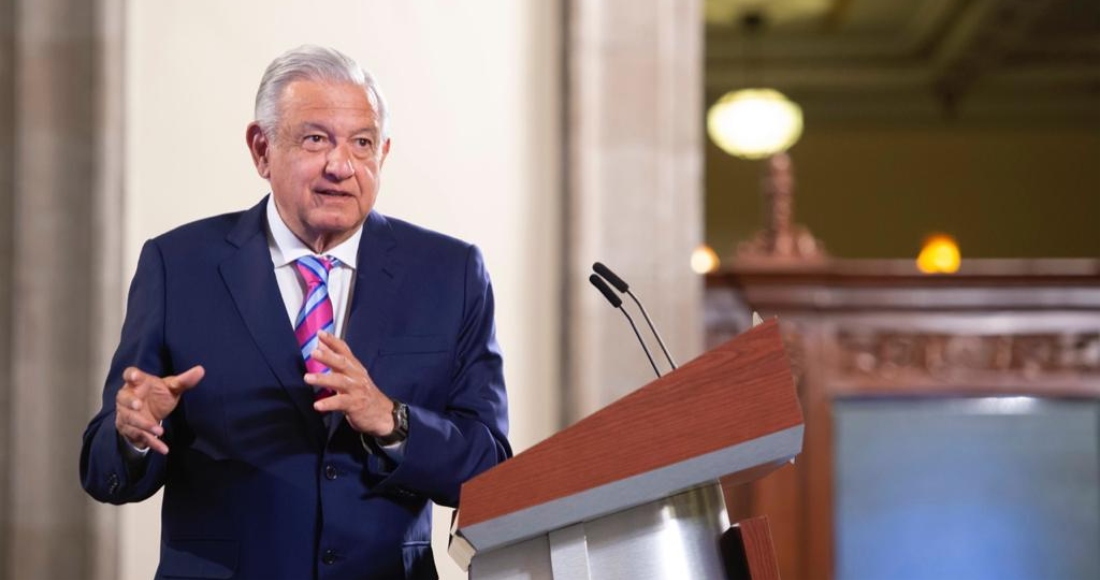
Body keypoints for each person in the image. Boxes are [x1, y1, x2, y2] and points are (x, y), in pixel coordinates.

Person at [80, 45, 511, 580]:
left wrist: (391, 421)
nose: (340, 165)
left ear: (384, 155)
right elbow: (103, 475)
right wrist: (132, 432)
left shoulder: (451, 273)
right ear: (261, 150)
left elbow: (491, 468)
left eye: (362, 143)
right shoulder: (179, 265)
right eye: (315, 139)